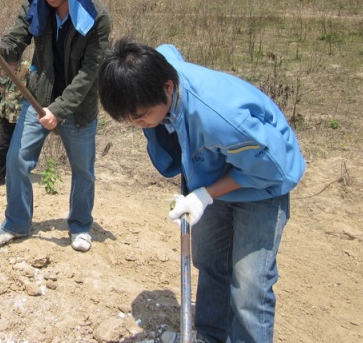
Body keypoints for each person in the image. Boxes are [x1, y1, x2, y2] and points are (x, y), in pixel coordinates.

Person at [97, 37, 306, 343]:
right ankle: (210, 336)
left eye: (141, 116)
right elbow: (168, 49)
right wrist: (204, 192)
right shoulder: (159, 72)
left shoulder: (222, 117)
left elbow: (272, 169)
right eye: (130, 119)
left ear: (168, 87)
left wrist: (205, 195)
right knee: (210, 263)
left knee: (249, 286)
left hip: (262, 182)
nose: (138, 123)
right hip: (212, 172)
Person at [0, 0, 111, 252]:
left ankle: (80, 225)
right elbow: (15, 41)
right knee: (16, 159)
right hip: (38, 97)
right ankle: (16, 223)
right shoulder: (35, 4)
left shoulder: (96, 16)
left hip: (78, 106)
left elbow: (90, 72)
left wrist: (59, 111)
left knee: (83, 170)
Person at [0, 59, 30, 189]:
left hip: (20, 115)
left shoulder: (27, 68)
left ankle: (18, 177)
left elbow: (33, 92)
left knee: (20, 149)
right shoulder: (2, 67)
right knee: (1, 147)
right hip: (5, 114)